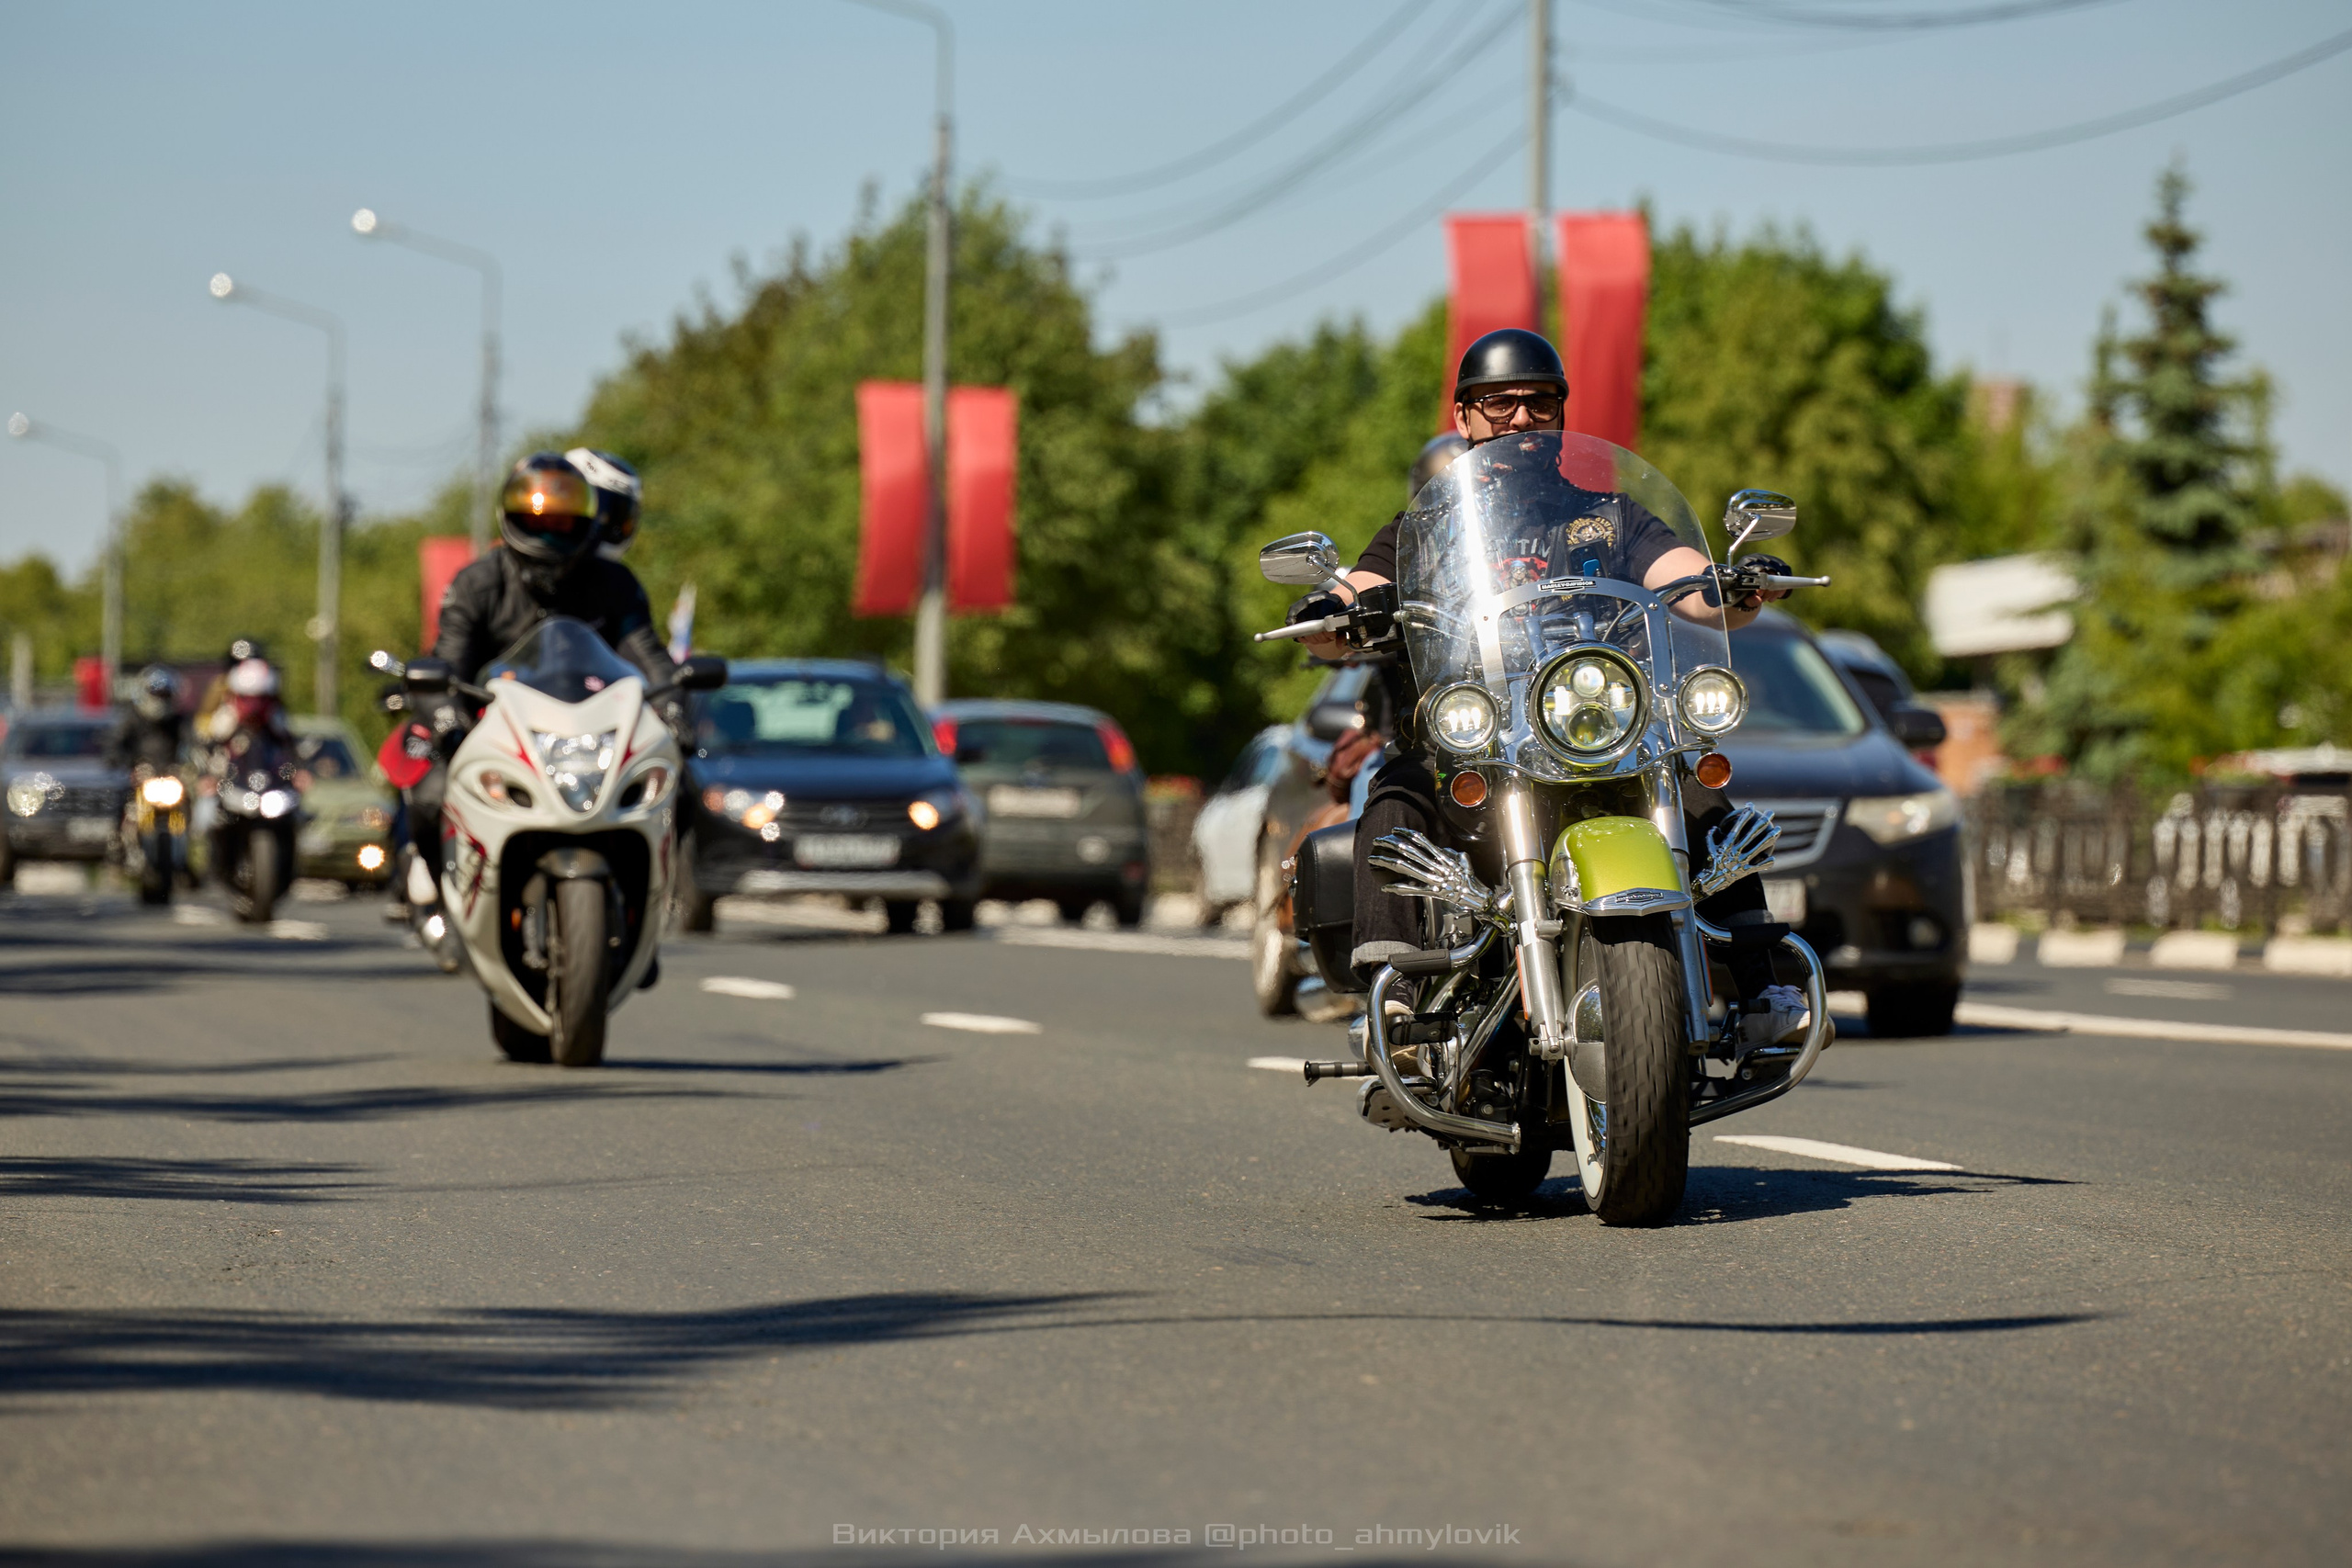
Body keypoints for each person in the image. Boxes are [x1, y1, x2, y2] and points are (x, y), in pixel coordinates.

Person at [1288, 328, 1808, 1047]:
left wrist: (1726, 584)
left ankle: (1761, 986)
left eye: (1539, 402)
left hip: (1592, 725)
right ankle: (1399, 995)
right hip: (1476, 740)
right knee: (1396, 798)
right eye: (1499, 404)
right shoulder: (1425, 530)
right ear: (1464, 417)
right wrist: (1332, 607)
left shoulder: (1611, 516)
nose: (1521, 419)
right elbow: (1365, 582)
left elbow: (1684, 579)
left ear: (1562, 413)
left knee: (1697, 790)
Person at [107, 666, 187, 773]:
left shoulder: (178, 722)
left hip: (170, 777)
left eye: (164, 695)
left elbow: (191, 744)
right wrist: (129, 765)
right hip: (136, 777)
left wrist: (187, 767)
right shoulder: (132, 720)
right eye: (156, 694)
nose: (160, 700)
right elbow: (115, 745)